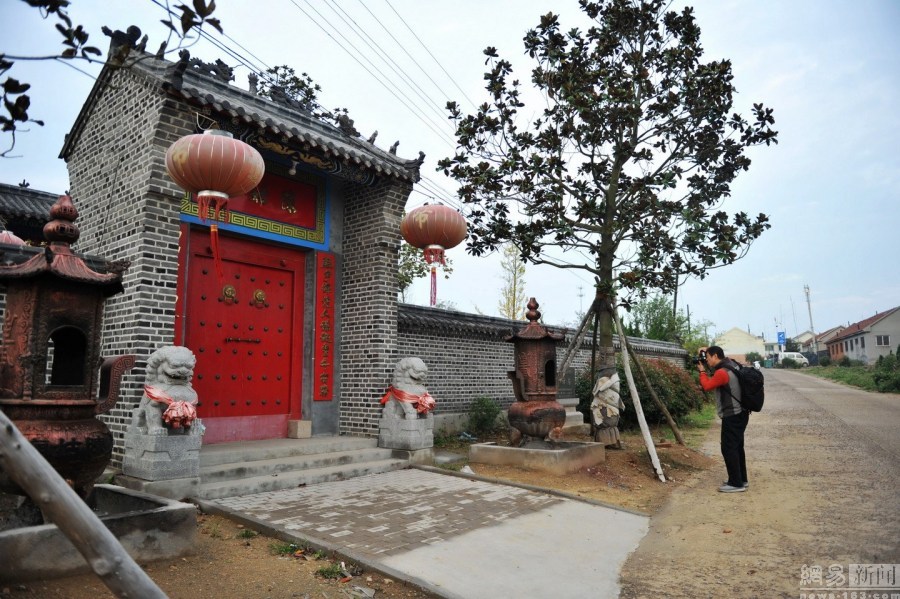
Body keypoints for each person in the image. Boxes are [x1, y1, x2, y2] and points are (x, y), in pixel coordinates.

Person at [697, 346, 749, 493]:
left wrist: (702, 372)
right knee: (737, 447)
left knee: (728, 448)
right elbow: (718, 358)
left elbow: (707, 386)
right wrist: (706, 350)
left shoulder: (722, 372)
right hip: (742, 413)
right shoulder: (731, 364)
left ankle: (735, 483)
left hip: (732, 415)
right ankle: (741, 480)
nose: (706, 360)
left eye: (707, 357)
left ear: (715, 356)